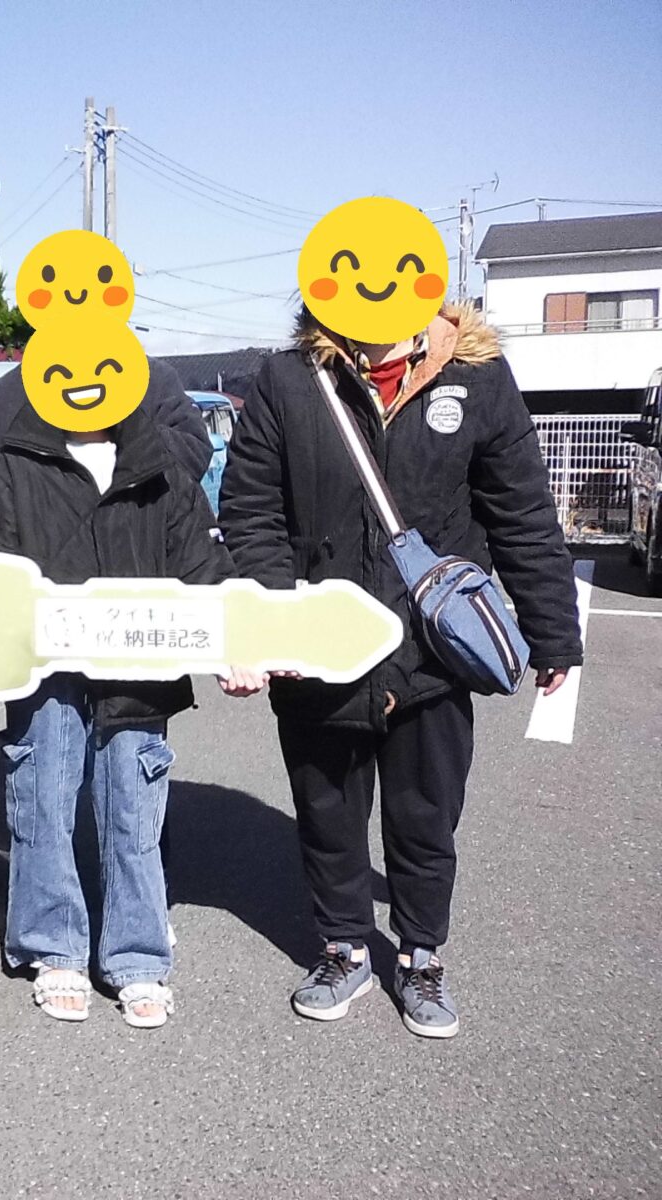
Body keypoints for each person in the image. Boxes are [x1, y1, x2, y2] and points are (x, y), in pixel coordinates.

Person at [219, 302, 581, 1039]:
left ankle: (421, 955)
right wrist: (270, 624)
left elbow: (520, 511)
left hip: (432, 654)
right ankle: (343, 948)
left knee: (425, 818)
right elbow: (252, 512)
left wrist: (553, 632)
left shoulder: (476, 376)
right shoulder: (290, 379)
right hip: (321, 650)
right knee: (327, 813)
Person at [0, 395, 264, 1026]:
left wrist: (236, 646)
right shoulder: (13, 461)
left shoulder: (159, 460)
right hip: (43, 669)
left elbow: (203, 565)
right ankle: (54, 948)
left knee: (134, 805)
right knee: (41, 797)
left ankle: (138, 955)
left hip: (139, 667)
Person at [0, 356, 214, 499]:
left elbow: (194, 454)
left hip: (140, 560)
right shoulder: (13, 389)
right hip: (39, 564)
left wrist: (121, 428)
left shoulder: (153, 378)